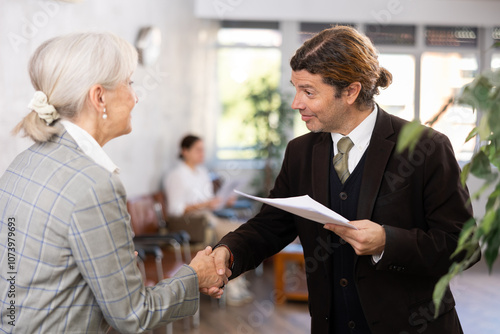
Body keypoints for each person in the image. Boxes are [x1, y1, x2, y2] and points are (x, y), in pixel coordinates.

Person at [209, 25, 478, 333]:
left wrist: (387, 242)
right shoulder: (300, 152)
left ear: (351, 90)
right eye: (296, 88)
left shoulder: (427, 148)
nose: (296, 103)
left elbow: (463, 247)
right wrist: (227, 253)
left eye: (309, 92)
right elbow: (270, 226)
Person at [0, 32, 228, 333]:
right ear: (99, 97)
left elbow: (27, 279)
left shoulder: (23, 162)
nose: (136, 96)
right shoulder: (94, 185)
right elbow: (134, 314)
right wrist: (195, 276)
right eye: (130, 83)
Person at [164, 134, 253, 306]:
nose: (202, 153)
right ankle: (233, 283)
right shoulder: (176, 176)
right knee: (230, 237)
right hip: (191, 224)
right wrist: (206, 203)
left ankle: (236, 279)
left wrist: (224, 201)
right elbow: (175, 209)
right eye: (198, 150)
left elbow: (210, 204)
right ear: (185, 151)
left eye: (203, 150)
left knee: (243, 231)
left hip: (209, 218)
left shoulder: (202, 173)